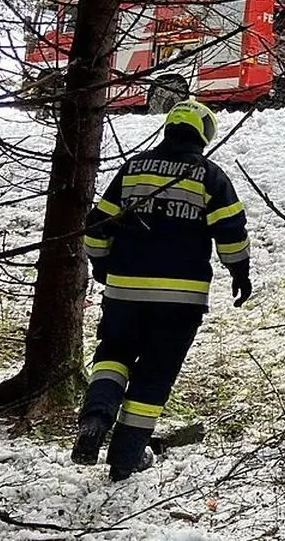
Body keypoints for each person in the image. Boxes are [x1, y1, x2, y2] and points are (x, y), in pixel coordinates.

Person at [72, 100, 253, 481]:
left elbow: (97, 225)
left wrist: (102, 265)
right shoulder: (209, 176)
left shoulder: (133, 169)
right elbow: (231, 232)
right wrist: (240, 273)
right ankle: (125, 459)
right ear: (203, 135)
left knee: (112, 355)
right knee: (154, 374)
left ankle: (94, 419)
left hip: (124, 291)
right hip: (179, 299)